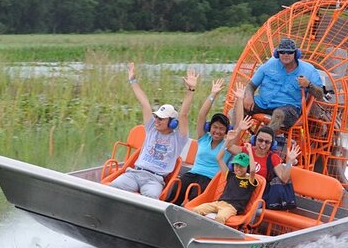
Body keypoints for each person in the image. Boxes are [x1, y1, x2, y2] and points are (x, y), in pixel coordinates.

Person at [109, 62, 196, 199]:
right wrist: (132, 80)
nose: (157, 120)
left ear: (172, 123)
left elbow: (184, 114)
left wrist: (190, 90)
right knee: (111, 188)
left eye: (161, 119)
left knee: (151, 199)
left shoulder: (178, 139)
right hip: (134, 174)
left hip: (154, 180)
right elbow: (144, 103)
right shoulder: (151, 128)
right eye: (156, 117)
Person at [170, 79, 242, 205]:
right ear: (209, 127)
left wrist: (240, 100)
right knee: (174, 192)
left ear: (226, 131)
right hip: (192, 174)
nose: (217, 131)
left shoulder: (228, 144)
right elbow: (201, 116)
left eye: (221, 129)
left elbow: (238, 126)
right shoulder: (204, 138)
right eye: (215, 127)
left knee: (193, 199)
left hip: (210, 180)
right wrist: (213, 94)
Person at [243, 37, 324, 134]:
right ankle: (233, 138)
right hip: (263, 103)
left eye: (289, 52)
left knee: (278, 113)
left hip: (289, 109)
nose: (286, 55)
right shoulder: (270, 64)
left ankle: (265, 139)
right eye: (282, 52)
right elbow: (251, 85)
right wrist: (248, 95)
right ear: (277, 54)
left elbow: (320, 94)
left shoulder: (308, 70)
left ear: (296, 54)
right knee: (239, 103)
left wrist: (309, 85)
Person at [191, 140, 257, 224]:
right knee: (196, 210)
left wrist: (250, 151)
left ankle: (215, 236)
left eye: (242, 166)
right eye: (236, 165)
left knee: (220, 217)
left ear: (247, 167)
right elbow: (219, 158)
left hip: (231, 207)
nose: (238, 168)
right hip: (218, 203)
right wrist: (226, 143)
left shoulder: (249, 180)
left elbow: (253, 170)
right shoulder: (230, 175)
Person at [226, 119, 300, 185]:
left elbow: (284, 179)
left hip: (260, 193)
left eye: (267, 142)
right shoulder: (248, 150)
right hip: (242, 187)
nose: (263, 144)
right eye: (260, 140)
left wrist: (290, 161)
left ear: (271, 144)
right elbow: (229, 147)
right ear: (255, 140)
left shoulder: (273, 157)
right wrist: (239, 129)